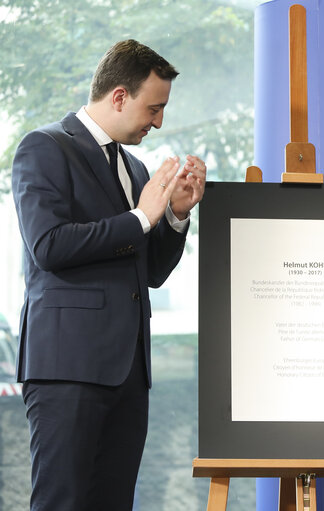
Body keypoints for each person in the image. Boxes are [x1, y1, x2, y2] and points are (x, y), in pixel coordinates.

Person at [11, 39, 206, 511]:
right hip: (67, 368)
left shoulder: (135, 168)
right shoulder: (44, 147)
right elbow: (49, 246)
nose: (158, 121)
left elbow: (151, 273)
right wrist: (140, 218)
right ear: (119, 96)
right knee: (63, 501)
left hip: (128, 374)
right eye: (153, 108)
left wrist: (176, 216)